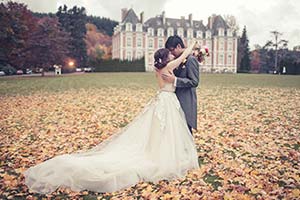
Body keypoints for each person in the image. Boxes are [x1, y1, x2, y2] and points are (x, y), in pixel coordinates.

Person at [23, 41, 200, 194]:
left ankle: (159, 152)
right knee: (165, 131)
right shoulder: (168, 68)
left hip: (162, 100)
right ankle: (163, 156)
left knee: (160, 132)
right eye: (170, 55)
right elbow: (182, 56)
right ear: (166, 59)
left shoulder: (158, 69)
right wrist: (191, 46)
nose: (172, 56)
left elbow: (181, 62)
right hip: (167, 102)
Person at [161, 35, 200, 134]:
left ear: (179, 46)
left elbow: (194, 81)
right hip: (174, 102)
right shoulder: (176, 60)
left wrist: (175, 80)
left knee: (186, 132)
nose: (171, 53)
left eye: (172, 50)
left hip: (185, 101)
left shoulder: (191, 60)